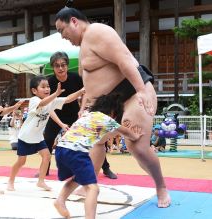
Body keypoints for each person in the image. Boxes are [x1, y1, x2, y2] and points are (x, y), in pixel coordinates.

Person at [55, 7, 171, 208]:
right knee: (95, 141)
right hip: (107, 103)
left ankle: (161, 187)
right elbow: (90, 85)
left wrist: (142, 91)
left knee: (137, 145)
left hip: (133, 92)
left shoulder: (97, 32)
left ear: (74, 21)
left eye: (62, 30)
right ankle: (87, 182)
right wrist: (85, 107)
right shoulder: (84, 46)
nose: (62, 36)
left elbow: (125, 61)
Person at [54, 90, 143, 218]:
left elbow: (105, 135)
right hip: (76, 152)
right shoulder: (107, 119)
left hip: (61, 150)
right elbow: (127, 133)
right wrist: (136, 136)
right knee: (93, 189)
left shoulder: (87, 115)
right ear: (113, 112)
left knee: (78, 178)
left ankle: (60, 200)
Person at [44, 51, 117, 179]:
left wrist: (82, 109)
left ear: (67, 65)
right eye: (57, 65)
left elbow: (85, 92)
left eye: (63, 65)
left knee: (93, 139)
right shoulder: (49, 82)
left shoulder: (75, 78)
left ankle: (105, 168)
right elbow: (47, 103)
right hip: (55, 115)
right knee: (48, 139)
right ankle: (45, 170)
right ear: (53, 67)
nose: (60, 68)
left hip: (74, 113)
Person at [7, 75, 85, 191]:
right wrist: (56, 94)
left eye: (48, 86)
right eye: (43, 87)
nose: (47, 89)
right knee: (21, 161)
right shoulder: (34, 101)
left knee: (47, 156)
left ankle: (41, 181)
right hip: (26, 137)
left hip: (38, 137)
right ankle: (10, 181)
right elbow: (43, 103)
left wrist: (82, 91)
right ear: (34, 91)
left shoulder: (51, 101)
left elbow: (68, 99)